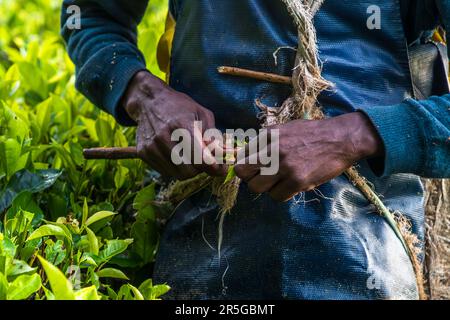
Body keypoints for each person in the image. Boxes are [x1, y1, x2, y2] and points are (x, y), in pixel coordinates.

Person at [61, 0, 450, 299]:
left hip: (370, 253)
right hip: (202, 241)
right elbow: (90, 16)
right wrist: (144, 94)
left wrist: (349, 136)